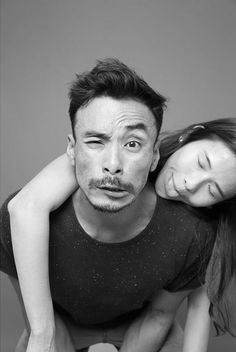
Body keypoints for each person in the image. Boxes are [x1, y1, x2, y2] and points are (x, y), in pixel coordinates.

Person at [0, 59, 225, 352]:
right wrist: (44, 339)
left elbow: (160, 317)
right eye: (95, 141)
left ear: (155, 155)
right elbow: (41, 328)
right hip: (58, 329)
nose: (113, 166)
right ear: (71, 148)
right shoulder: (19, 221)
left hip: (144, 331)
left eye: (133, 144)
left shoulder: (193, 233)